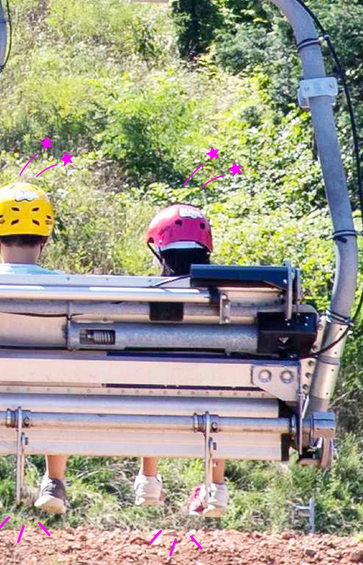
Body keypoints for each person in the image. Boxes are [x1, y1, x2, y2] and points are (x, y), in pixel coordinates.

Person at [0, 182, 69, 516]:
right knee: (65, 383)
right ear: (47, 235)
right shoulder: (68, 286)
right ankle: (55, 480)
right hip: (49, 388)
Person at [135, 204, 229, 518]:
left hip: (156, 393)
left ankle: (148, 480)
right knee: (223, 395)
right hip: (216, 395)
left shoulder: (146, 296)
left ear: (160, 250)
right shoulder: (226, 297)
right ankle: (215, 488)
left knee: (147, 388)